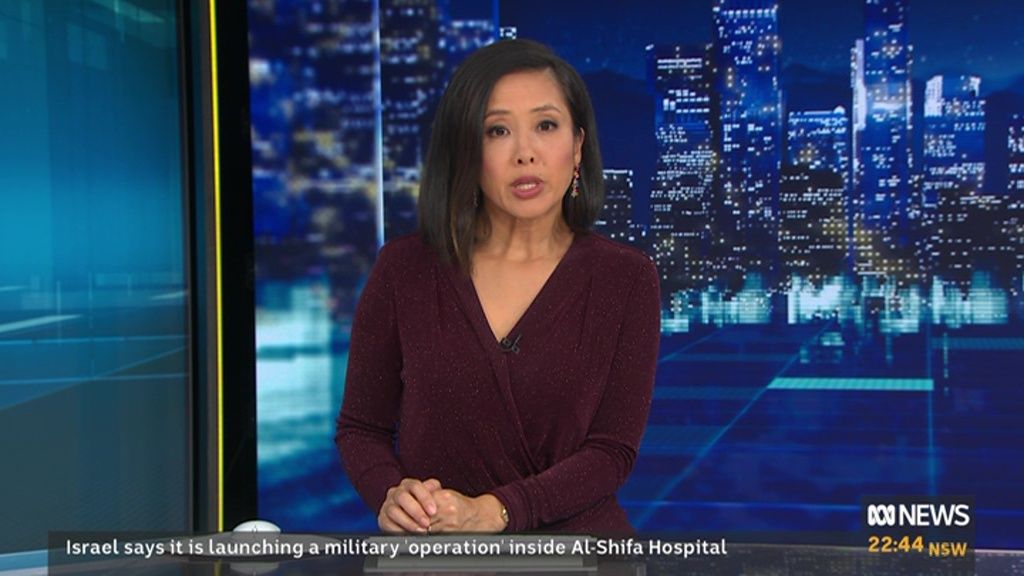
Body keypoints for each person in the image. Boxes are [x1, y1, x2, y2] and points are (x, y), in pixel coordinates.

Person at [335, 39, 660, 536]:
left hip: (579, 557)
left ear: (577, 145)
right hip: (439, 556)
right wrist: (391, 493)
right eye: (498, 131)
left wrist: (495, 511)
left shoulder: (627, 278)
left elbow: (612, 450)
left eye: (546, 126)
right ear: (466, 150)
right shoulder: (404, 269)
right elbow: (361, 428)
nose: (525, 153)